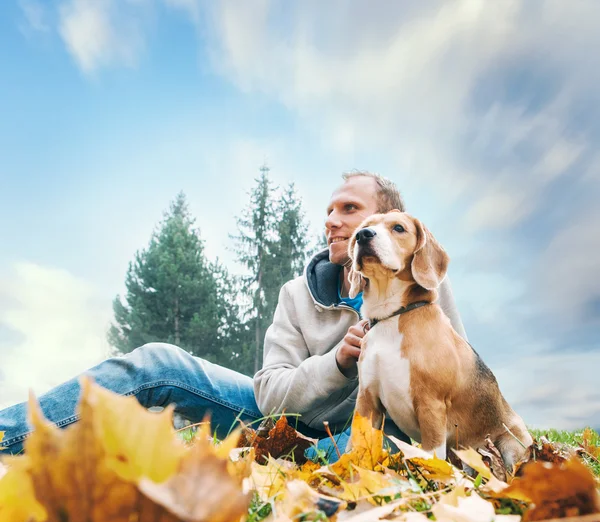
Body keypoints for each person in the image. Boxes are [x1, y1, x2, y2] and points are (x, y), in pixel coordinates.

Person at [0, 171, 466, 459]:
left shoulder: (424, 286)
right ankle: (8, 434)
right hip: (279, 421)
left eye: (350, 209)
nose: (331, 220)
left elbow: (457, 384)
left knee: (387, 450)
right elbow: (268, 392)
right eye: (328, 211)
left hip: (371, 437)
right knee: (159, 362)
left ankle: (301, 461)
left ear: (392, 223)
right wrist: (338, 364)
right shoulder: (296, 295)